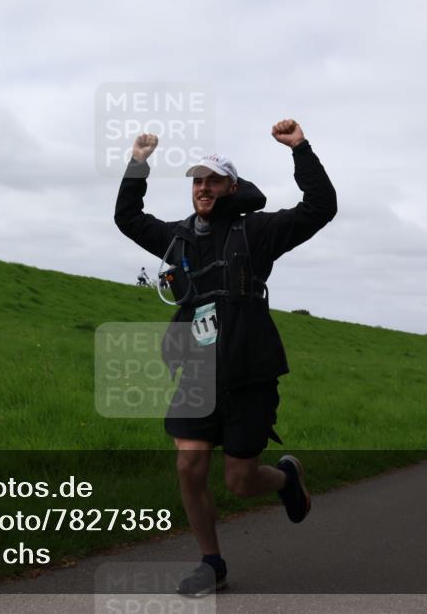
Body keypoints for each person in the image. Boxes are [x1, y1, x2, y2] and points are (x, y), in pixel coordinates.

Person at [114, 119, 336, 596]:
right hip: (196, 375)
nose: (203, 188)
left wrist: (300, 148)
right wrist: (138, 164)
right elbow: (128, 220)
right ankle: (212, 563)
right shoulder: (178, 239)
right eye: (197, 181)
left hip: (248, 374)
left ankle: (284, 479)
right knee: (188, 467)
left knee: (239, 481)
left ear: (231, 187)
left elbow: (321, 208)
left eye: (213, 180)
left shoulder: (256, 231)